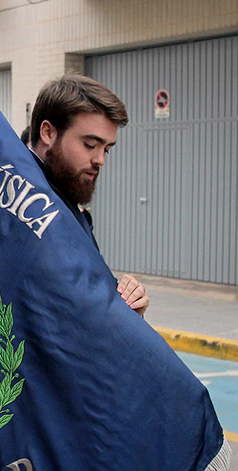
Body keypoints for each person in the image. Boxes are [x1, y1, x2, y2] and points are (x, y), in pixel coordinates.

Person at [29, 74, 149, 316]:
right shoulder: (7, 207)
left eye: (107, 149)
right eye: (90, 145)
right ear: (48, 133)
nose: (100, 160)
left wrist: (127, 302)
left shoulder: (67, 204)